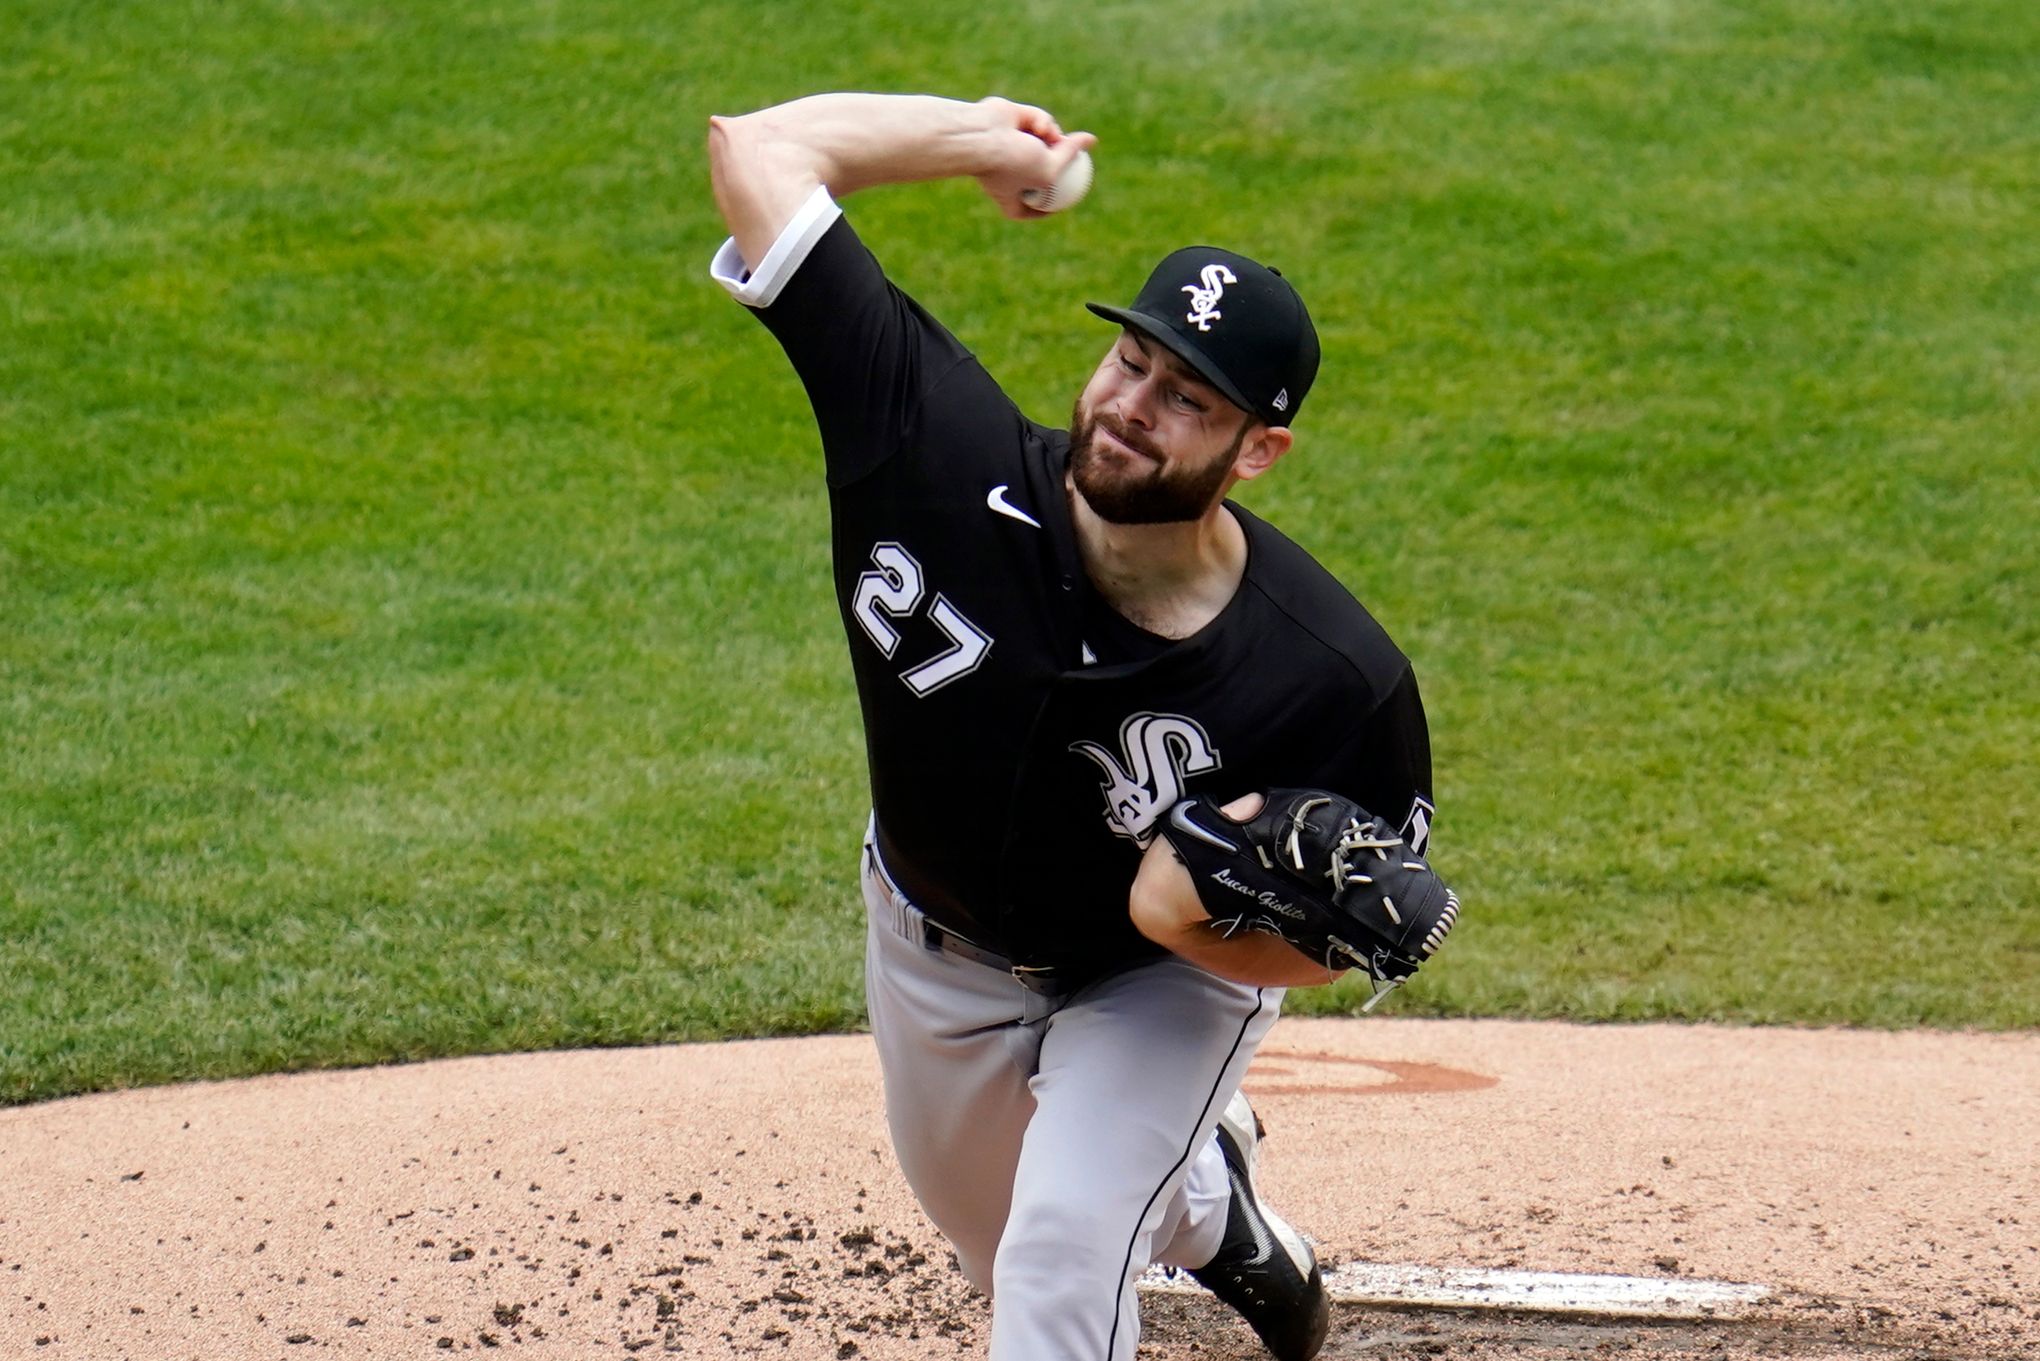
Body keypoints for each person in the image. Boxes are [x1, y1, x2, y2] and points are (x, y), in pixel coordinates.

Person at [706, 92, 1436, 1361]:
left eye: (1187, 400)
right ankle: (1213, 1201)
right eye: (1132, 361)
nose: (1132, 405)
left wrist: (1200, 925)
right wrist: (978, 142)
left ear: (1258, 450)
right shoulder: (929, 440)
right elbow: (754, 147)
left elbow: (1351, 935)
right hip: (933, 948)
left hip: (1162, 983)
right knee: (1000, 1240)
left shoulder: (1330, 677)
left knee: (1060, 1254)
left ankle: (1164, 1167)